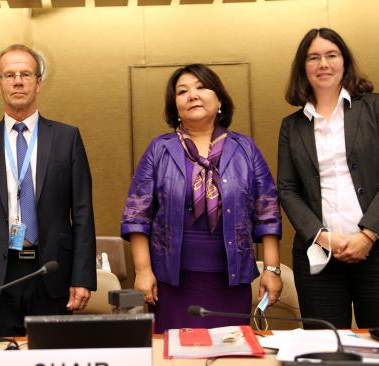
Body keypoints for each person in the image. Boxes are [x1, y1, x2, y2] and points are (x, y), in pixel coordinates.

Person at [121, 64, 282, 333]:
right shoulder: (159, 149)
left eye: (201, 87)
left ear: (219, 99)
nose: (192, 95)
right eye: (182, 91)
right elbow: (137, 214)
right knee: (174, 354)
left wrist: (272, 269)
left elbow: (267, 212)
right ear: (175, 107)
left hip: (231, 280)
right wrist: (142, 270)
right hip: (172, 281)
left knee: (229, 355)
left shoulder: (245, 149)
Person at [278, 28, 379, 329]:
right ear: (303, 68)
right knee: (325, 351)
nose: (323, 64)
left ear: (344, 61)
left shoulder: (375, 106)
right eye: (313, 57)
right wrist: (322, 235)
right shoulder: (291, 126)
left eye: (331, 55)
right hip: (320, 256)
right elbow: (287, 190)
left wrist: (368, 235)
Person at [0, 44, 96, 337]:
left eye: (26, 74)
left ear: (38, 83)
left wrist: (83, 277)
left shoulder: (67, 138)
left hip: (52, 273)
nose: (18, 81)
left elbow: (82, 213)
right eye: (9, 75)